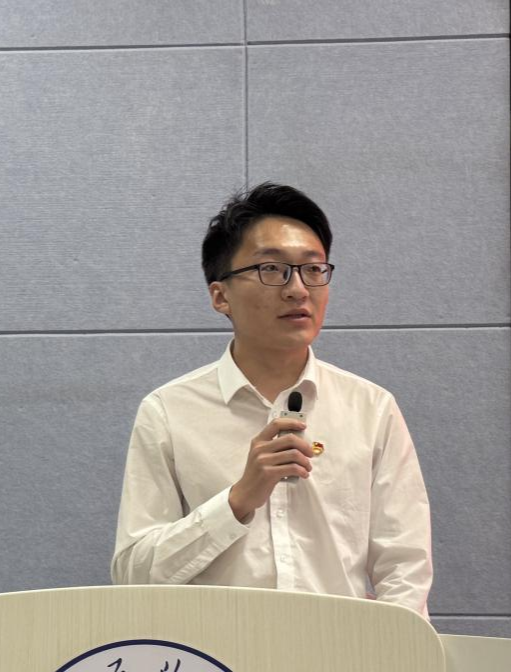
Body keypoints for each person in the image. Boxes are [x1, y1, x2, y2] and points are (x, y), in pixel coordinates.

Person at [110, 182, 432, 616]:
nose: (298, 289)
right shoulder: (169, 411)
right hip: (214, 653)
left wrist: (390, 646)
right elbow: (134, 573)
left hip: (338, 648)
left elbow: (405, 567)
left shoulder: (370, 408)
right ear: (220, 295)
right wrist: (238, 500)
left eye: (313, 269)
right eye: (272, 269)